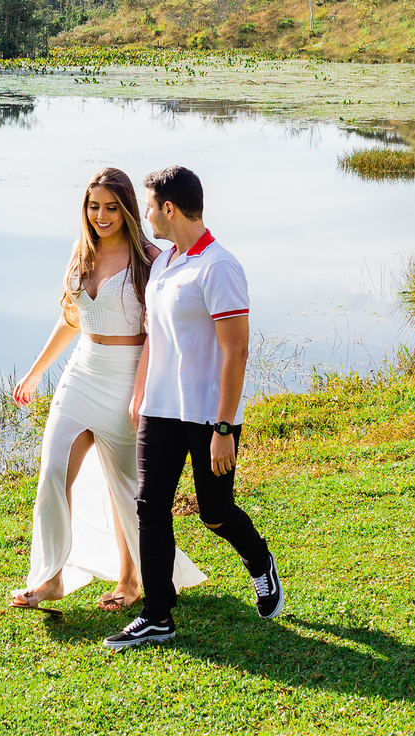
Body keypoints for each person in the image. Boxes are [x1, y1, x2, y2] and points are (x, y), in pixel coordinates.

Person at [103, 165, 284, 651]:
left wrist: (224, 428)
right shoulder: (164, 263)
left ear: (169, 208)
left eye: (149, 207)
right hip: (160, 409)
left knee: (215, 512)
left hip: (207, 415)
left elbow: (235, 351)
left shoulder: (218, 267)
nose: (145, 215)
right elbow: (154, 336)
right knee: (150, 508)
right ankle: (157, 615)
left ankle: (259, 559)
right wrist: (140, 393)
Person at [10, 167, 206, 611]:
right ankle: (50, 578)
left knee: (126, 485)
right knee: (53, 471)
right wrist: (37, 371)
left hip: (126, 379)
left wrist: (144, 391)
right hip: (81, 374)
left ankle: (131, 579)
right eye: (94, 207)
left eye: (111, 208)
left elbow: (160, 331)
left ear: (128, 209)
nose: (101, 216)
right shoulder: (81, 252)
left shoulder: (151, 260)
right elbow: (72, 318)